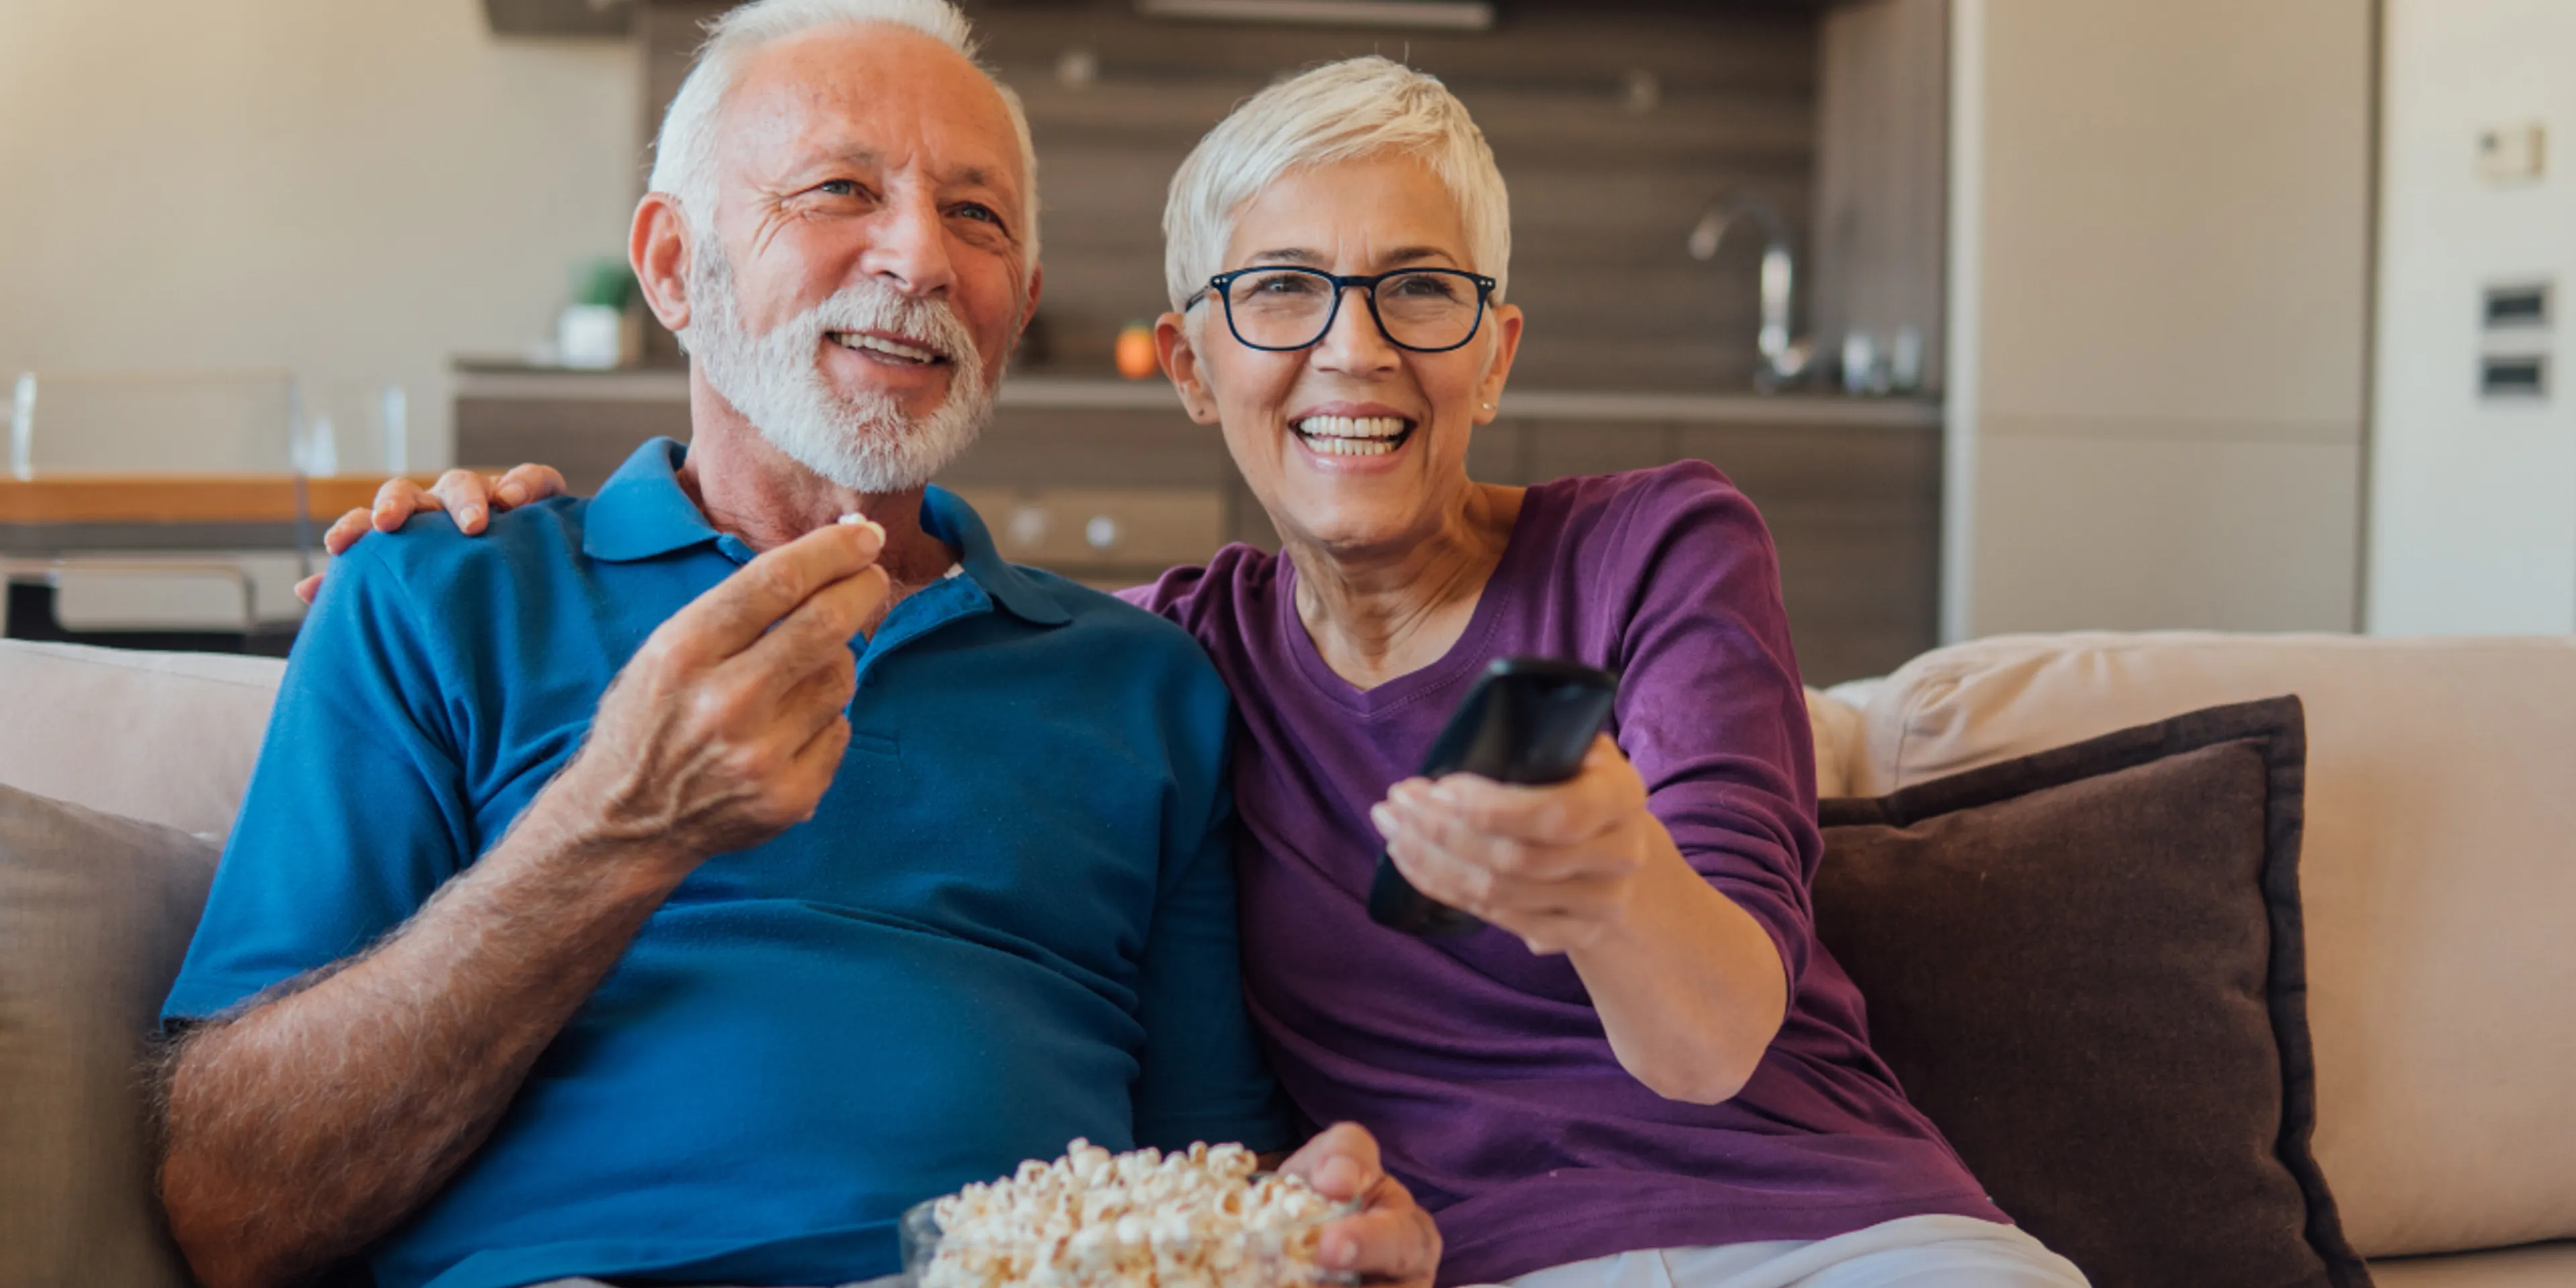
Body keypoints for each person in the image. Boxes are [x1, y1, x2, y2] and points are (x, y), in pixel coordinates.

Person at [325, 53, 2092, 1288]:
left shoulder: (1655, 543)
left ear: (1494, 348)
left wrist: (1612, 883)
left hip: (1854, 1229)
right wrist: (491, 522)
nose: (1355, 352)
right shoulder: (1160, 665)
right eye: (1279, 294)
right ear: (1187, 362)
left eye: (1421, 292)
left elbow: (1714, 1039)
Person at [152, 6, 1435, 1288]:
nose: (921, 257)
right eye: (840, 190)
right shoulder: (438, 593)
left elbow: (1211, 1176)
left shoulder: (1145, 683)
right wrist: (616, 825)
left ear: (1016, 310)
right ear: (672, 266)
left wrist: (1317, 1231)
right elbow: (231, 1209)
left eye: (978, 218)